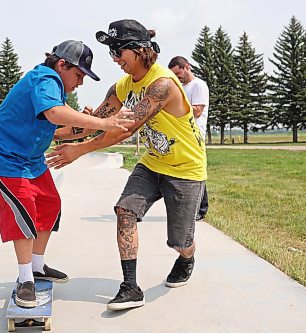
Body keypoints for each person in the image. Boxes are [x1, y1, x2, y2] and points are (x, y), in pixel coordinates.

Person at [46, 20, 207, 311]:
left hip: (186, 169)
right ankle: (131, 287)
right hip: (152, 164)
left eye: (118, 51)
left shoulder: (162, 85)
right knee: (125, 211)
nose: (115, 59)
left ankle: (187, 257)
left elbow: (124, 129)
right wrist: (43, 132)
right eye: (112, 53)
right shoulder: (122, 86)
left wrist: (79, 151)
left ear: (139, 50)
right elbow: (94, 123)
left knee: (180, 242)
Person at [0, 40, 134, 308]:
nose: (80, 83)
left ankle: (38, 267)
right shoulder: (46, 77)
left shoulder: (52, 88)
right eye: (78, 75)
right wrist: (103, 122)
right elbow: (54, 114)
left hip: (31, 161)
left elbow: (58, 128)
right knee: (24, 213)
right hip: (6, 160)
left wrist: (89, 126)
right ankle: (25, 279)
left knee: (50, 205)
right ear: (62, 64)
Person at [168, 56, 210, 221]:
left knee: (196, 172)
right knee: (183, 173)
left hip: (195, 135)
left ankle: (201, 208)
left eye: (179, 73)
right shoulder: (179, 87)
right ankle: (187, 206)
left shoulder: (199, 86)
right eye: (174, 74)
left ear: (187, 67)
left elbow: (198, 111)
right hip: (180, 135)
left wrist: (175, 107)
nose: (177, 77)